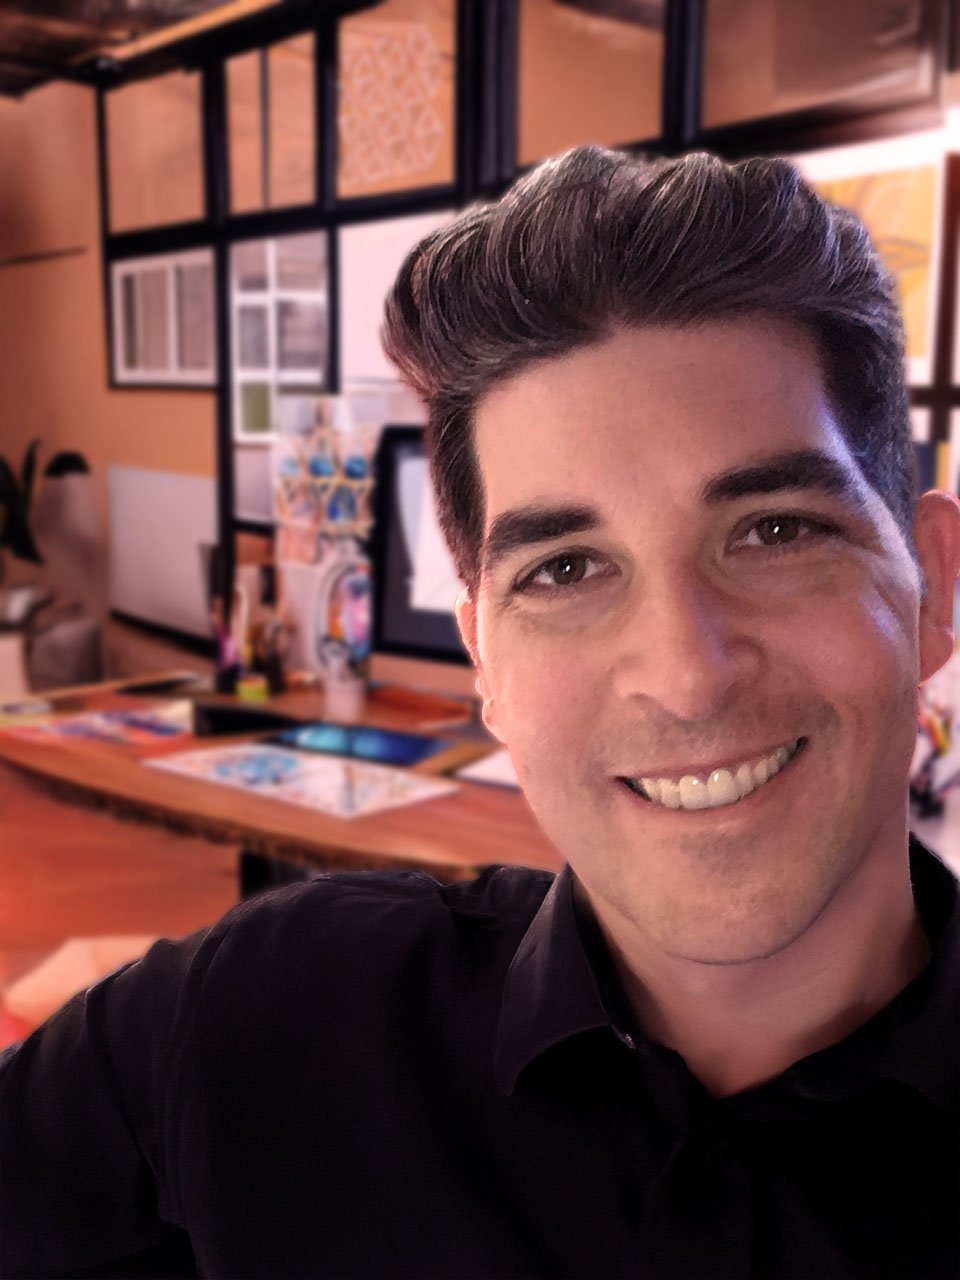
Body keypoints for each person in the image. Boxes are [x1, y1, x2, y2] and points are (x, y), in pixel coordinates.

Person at [2, 146, 959, 1279]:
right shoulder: (260, 1020)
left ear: (935, 584)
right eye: (564, 569)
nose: (687, 676)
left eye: (778, 531)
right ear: (484, 660)